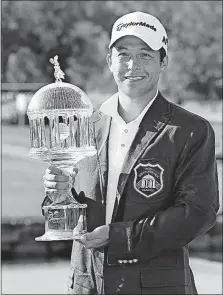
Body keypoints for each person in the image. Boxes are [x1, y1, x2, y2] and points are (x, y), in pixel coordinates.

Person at [43, 11, 219, 295]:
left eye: (146, 55)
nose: (132, 65)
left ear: (164, 62)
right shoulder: (84, 127)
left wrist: (118, 237)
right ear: (109, 61)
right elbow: (68, 209)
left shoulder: (190, 130)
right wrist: (56, 195)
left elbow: (198, 213)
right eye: (123, 54)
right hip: (87, 285)